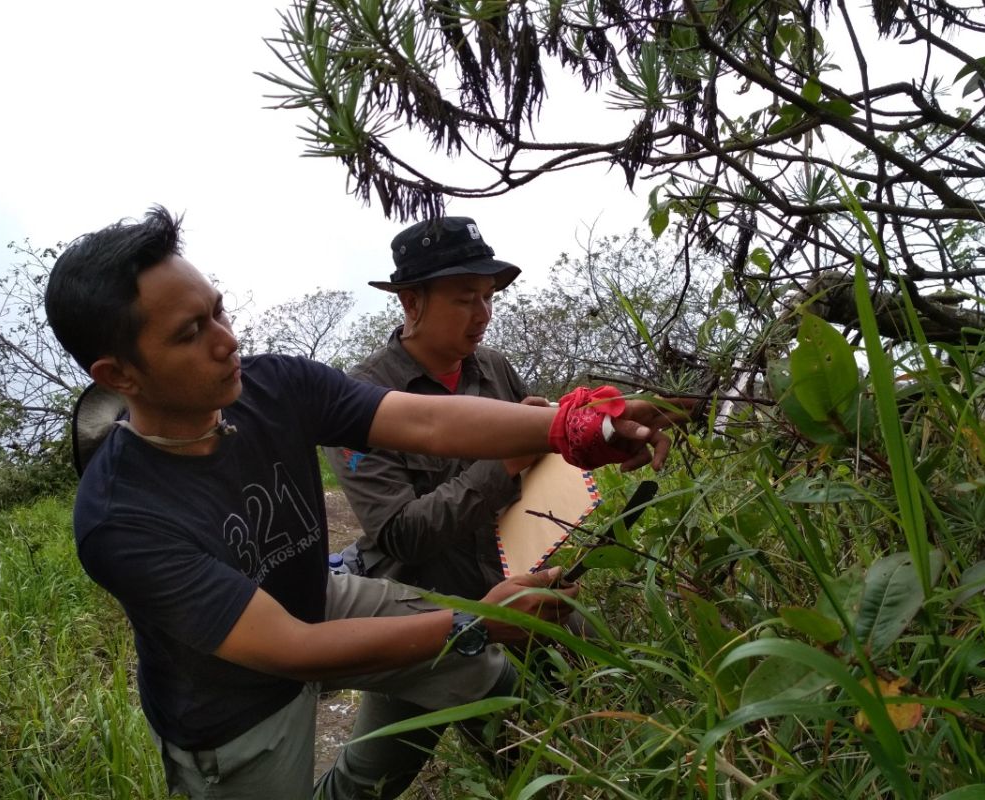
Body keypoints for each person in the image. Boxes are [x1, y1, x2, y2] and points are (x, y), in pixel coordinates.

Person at [44, 206, 677, 800]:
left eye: (219, 312)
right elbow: (288, 648)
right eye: (191, 334)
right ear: (118, 375)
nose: (226, 341)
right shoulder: (120, 519)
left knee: (478, 673)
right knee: (456, 644)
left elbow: (426, 424)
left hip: (315, 594)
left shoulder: (274, 386)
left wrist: (585, 427)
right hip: (233, 704)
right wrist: (475, 621)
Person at [326, 216, 544, 599]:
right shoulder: (358, 399)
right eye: (464, 299)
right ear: (411, 302)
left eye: (488, 296)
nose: (483, 314)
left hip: (515, 578)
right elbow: (401, 535)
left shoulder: (495, 368)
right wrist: (508, 459)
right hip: (425, 608)